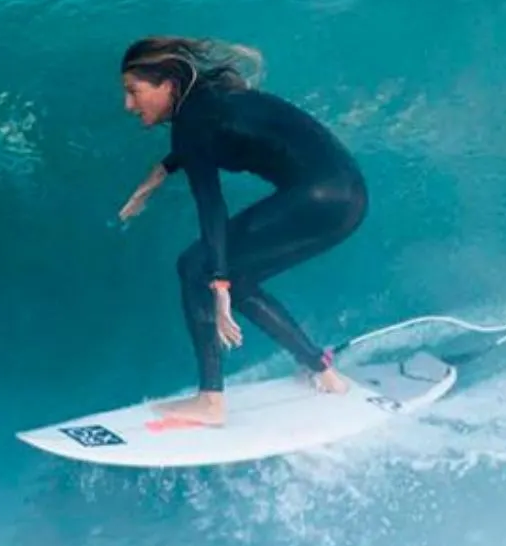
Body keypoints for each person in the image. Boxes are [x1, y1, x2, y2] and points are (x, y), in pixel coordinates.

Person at [118, 36, 367, 428]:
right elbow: (217, 137)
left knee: (194, 266)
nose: (128, 105)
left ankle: (210, 401)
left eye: (134, 92)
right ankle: (323, 372)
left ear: (167, 84)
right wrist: (158, 175)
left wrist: (218, 285)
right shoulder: (212, 99)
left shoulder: (191, 124)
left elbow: (211, 205)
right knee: (243, 278)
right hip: (347, 196)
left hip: (316, 196)